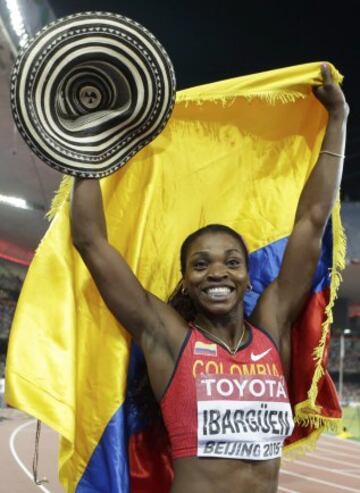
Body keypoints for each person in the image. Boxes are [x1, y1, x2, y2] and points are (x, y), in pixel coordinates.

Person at [70, 64, 348, 493]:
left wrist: (338, 122)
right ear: (185, 279)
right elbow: (90, 241)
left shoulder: (271, 331)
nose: (217, 271)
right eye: (201, 264)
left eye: (231, 261)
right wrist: (83, 150)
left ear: (247, 275)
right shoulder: (169, 337)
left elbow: (312, 221)